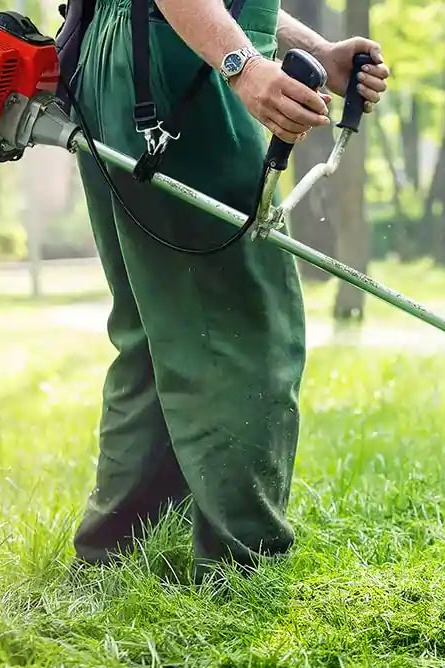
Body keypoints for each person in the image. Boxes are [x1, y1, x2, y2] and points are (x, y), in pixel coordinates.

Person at [66, 0, 389, 581]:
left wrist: (321, 55)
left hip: (129, 56)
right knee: (244, 326)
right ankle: (242, 564)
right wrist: (243, 66)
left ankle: (113, 553)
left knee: (157, 328)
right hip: (173, 64)